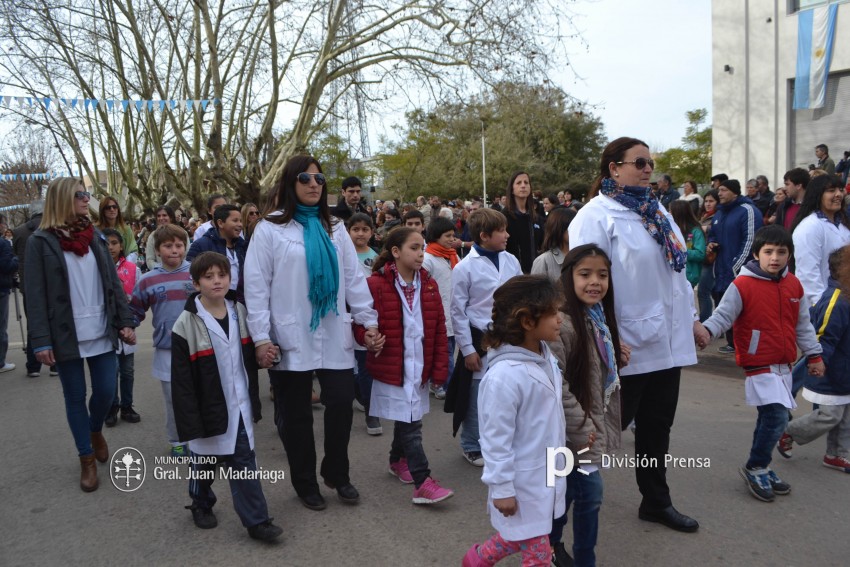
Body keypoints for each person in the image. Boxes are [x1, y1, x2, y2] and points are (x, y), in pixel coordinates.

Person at [569, 137, 703, 532]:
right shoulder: (595, 217)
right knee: (594, 435)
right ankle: (553, 509)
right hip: (625, 347)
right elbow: (585, 287)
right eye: (639, 162)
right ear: (613, 168)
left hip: (667, 343)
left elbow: (674, 276)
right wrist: (606, 336)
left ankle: (656, 502)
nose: (648, 169)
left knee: (657, 428)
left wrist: (692, 318)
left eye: (651, 163)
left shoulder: (655, 210)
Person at [244, 154, 382, 511]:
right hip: (290, 334)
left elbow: (353, 279)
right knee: (297, 415)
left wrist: (368, 322)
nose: (312, 185)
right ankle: (304, 482)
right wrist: (261, 337)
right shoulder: (270, 229)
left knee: (339, 402)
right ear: (290, 183)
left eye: (319, 180)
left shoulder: (335, 228)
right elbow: (256, 287)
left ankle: (337, 472)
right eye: (305, 178)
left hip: (333, 330)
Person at [25, 178, 137, 491]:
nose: (86, 199)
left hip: (101, 329)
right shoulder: (40, 242)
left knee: (104, 391)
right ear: (63, 199)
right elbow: (34, 296)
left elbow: (113, 283)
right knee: (74, 397)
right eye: (80, 195)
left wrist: (124, 321)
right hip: (65, 334)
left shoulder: (95, 236)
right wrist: (41, 340)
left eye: (86, 194)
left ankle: (94, 429)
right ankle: (86, 459)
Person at [699, 225, 824, 502]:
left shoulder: (794, 285)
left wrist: (814, 355)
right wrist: (706, 332)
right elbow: (722, 317)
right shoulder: (742, 285)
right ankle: (756, 466)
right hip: (759, 363)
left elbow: (803, 324)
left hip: (784, 364)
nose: (775, 258)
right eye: (768, 252)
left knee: (769, 417)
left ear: (790, 255)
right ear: (756, 254)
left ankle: (761, 466)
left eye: (781, 252)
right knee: (778, 417)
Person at [170, 252, 282, 541]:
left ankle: (257, 522)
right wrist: (189, 420)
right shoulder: (185, 324)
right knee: (204, 463)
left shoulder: (239, 312)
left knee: (244, 463)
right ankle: (200, 501)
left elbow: (249, 355)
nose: (217, 281)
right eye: (208, 277)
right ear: (196, 284)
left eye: (222, 275)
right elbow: (181, 382)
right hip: (207, 406)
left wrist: (266, 355)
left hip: (239, 405)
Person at [462, 275, 566, 567]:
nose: (560, 320)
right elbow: (495, 439)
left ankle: (478, 558)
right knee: (539, 554)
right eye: (554, 313)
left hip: (545, 472)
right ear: (527, 322)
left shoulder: (546, 357)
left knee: (520, 535)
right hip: (521, 482)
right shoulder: (504, 376)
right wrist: (502, 488)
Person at [354, 228, 454, 504]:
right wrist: (367, 338)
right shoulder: (375, 284)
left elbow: (438, 330)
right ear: (395, 252)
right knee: (412, 422)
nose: (421, 253)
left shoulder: (429, 285)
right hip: (394, 365)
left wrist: (439, 370)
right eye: (414, 248)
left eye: (422, 247)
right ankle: (423, 481)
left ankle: (397, 460)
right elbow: (358, 324)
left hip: (419, 365)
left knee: (408, 416)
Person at [548, 245, 627, 567]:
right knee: (589, 495)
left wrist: (613, 354)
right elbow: (555, 385)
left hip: (586, 427)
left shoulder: (596, 318)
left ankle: (549, 544)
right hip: (572, 432)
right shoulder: (561, 324)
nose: (595, 282)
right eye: (585, 274)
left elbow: (594, 368)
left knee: (567, 493)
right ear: (569, 277)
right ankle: (580, 559)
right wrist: (583, 429)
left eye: (602, 275)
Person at [447, 208, 522, 467]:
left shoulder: (511, 260)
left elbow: (522, 294)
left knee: (507, 393)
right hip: (480, 339)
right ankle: (471, 444)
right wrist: (467, 349)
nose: (507, 235)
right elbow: (457, 311)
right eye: (501, 230)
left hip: (511, 337)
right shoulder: (464, 268)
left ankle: (500, 442)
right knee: (477, 395)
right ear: (484, 235)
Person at [778, 246, 850, 472]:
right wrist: (818, 361)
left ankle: (837, 454)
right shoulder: (836, 301)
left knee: (846, 414)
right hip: (831, 369)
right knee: (831, 414)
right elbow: (824, 336)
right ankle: (789, 431)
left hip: (845, 369)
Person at [131, 224, 194, 457]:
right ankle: (177, 439)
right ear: (157, 250)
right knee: (173, 400)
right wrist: (129, 327)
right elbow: (135, 309)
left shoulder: (196, 273)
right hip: (167, 350)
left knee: (200, 395)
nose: (174, 250)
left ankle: (201, 437)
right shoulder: (148, 280)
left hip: (198, 348)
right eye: (168, 246)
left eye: (179, 245)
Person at [707, 179, 763, 354]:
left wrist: (736, 267)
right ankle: (733, 343)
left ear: (735, 192)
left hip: (738, 272)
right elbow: (713, 235)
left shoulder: (748, 210)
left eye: (723, 190)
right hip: (721, 270)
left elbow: (751, 240)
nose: (719, 193)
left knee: (744, 311)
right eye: (719, 190)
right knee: (725, 305)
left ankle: (747, 345)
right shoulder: (720, 213)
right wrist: (711, 244)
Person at [101, 228, 142, 427]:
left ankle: (127, 405)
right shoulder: (97, 268)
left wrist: (132, 322)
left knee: (127, 371)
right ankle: (111, 407)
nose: (110, 247)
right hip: (106, 328)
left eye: (114, 243)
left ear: (121, 245)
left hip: (128, 327)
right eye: (106, 243)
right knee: (111, 371)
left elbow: (139, 298)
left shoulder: (133, 269)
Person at [790, 175, 850, 307]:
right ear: (818, 194)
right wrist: (823, 306)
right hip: (824, 307)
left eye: (840, 189)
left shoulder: (844, 225)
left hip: (843, 304)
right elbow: (808, 274)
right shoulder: (809, 227)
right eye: (831, 190)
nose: (838, 194)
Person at [347, 213, 382, 435]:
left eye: (364, 229)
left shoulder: (376, 257)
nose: (360, 233)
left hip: (365, 318)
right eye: (355, 229)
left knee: (366, 364)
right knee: (348, 367)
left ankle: (372, 412)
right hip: (343, 317)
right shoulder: (342, 254)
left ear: (372, 232)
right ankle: (358, 394)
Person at [13, 201, 57, 377]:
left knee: (34, 322)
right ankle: (55, 364)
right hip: (53, 284)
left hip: (28, 284)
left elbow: (16, 254)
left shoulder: (18, 231)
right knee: (55, 321)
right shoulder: (53, 228)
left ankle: (33, 366)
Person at [422, 217, 459, 400]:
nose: (452, 239)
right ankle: (445, 385)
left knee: (449, 351)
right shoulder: (427, 259)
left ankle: (438, 382)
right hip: (438, 314)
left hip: (453, 313)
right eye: (447, 236)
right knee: (444, 354)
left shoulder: (452, 255)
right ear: (436, 236)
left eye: (453, 235)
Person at [187, 204, 248, 302]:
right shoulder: (201, 245)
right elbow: (190, 276)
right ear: (220, 223)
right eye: (235, 220)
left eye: (241, 221)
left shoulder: (243, 246)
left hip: (241, 304)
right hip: (213, 305)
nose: (240, 224)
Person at [502, 171, 543, 274]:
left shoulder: (535, 218)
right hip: (513, 274)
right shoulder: (504, 217)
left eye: (526, 182)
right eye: (519, 183)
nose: (523, 185)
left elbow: (542, 244)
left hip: (534, 273)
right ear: (512, 189)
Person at [531, 207, 576, 284]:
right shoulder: (543, 261)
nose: (575, 230)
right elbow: (535, 293)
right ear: (558, 228)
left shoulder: (583, 256)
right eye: (571, 227)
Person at [670, 201, 706, 289]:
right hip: (674, 275)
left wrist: (681, 252)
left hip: (688, 277)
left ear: (678, 213)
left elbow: (700, 254)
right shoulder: (672, 230)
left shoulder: (695, 231)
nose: (668, 214)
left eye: (670, 211)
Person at [697, 190, 720, 322]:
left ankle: (706, 322)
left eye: (711, 201)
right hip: (704, 257)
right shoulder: (704, 216)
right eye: (706, 201)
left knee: (703, 292)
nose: (708, 204)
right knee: (712, 293)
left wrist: (708, 229)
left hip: (712, 258)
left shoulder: (717, 217)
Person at [145, 206, 189, 270]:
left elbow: (187, 254)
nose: (161, 218)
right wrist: (163, 270)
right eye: (158, 216)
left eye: (164, 215)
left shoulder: (182, 233)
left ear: (171, 217)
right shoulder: (152, 236)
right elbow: (150, 260)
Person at [96, 197, 138, 264]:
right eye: (108, 207)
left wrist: (124, 266)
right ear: (102, 210)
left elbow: (133, 251)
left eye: (114, 207)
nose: (112, 209)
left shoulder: (126, 230)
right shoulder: (96, 230)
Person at [0, 226, 19, 373]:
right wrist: (16, 259)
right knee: (1, 325)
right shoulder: (3, 243)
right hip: (1, 287)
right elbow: (7, 266)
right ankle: (0, 361)